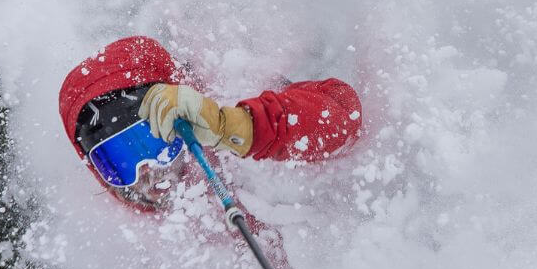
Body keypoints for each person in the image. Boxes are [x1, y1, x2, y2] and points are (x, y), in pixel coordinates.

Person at [58, 36, 362, 213]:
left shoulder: (230, 95)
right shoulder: (115, 230)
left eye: (152, 142)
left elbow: (343, 113)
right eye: (118, 162)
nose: (145, 170)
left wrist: (235, 127)